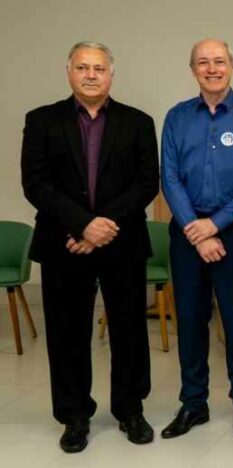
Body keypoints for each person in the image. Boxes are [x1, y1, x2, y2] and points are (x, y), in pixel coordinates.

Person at [21, 41, 159, 453]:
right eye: (83, 67)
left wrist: (102, 226)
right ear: (69, 73)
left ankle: (130, 410)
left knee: (129, 331)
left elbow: (146, 183)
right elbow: (35, 183)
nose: (91, 75)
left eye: (99, 68)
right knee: (66, 334)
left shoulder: (138, 122)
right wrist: (82, 224)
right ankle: (74, 415)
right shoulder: (42, 121)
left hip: (122, 242)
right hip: (64, 243)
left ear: (111, 74)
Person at [158, 39, 233, 441]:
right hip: (187, 235)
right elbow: (169, 177)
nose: (212, 68)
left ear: (232, 66)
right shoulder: (176, 117)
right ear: (193, 70)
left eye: (219, 61)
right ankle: (193, 403)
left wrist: (215, 225)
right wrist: (196, 228)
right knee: (190, 321)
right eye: (203, 62)